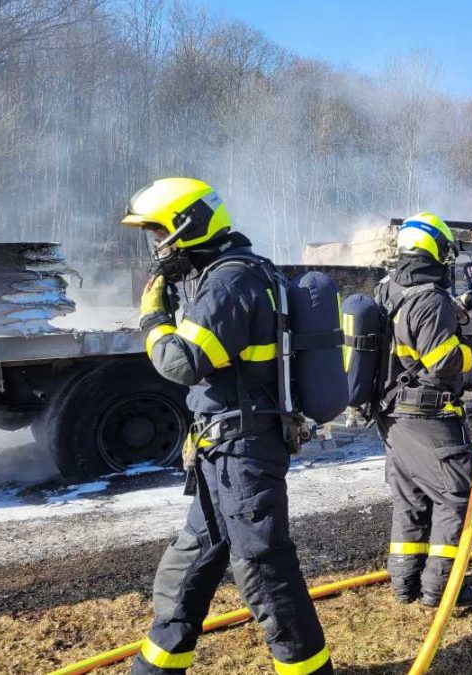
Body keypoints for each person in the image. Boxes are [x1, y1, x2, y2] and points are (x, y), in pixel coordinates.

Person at [122, 178, 332, 675]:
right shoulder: (228, 274)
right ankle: (155, 667)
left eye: (159, 232)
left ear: (187, 227)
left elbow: (183, 362)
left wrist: (153, 317)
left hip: (243, 450)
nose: (156, 246)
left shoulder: (230, 282)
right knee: (192, 558)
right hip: (226, 449)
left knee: (262, 565)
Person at [375, 212, 472, 608]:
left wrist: (464, 305)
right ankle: (442, 590)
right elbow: (445, 362)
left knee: (411, 499)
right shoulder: (430, 300)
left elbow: (415, 329)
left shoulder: (389, 289)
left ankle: (405, 583)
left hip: (394, 419)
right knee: (454, 499)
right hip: (429, 419)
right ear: (435, 250)